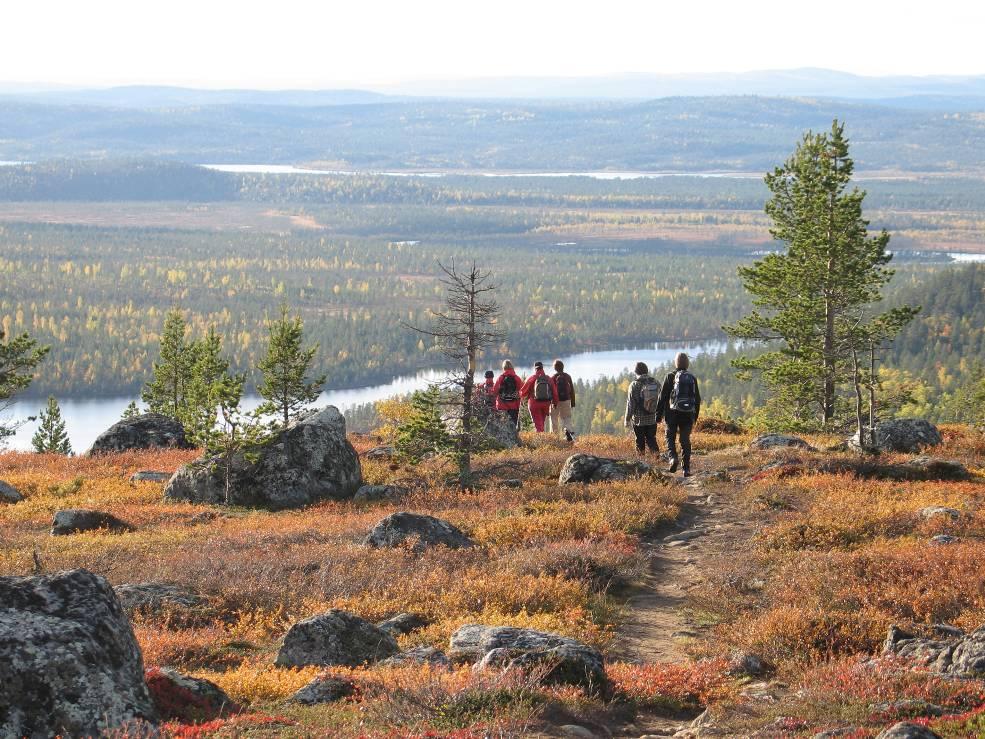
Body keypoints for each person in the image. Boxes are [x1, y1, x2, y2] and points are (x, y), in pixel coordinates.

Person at [656, 352, 701, 477]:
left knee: (670, 436)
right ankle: (686, 469)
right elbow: (697, 399)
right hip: (688, 414)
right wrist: (695, 416)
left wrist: (658, 415)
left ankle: (673, 458)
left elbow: (662, 397)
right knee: (685, 440)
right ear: (687, 363)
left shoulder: (670, 376)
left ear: (676, 363)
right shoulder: (692, 377)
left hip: (672, 414)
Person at [624, 361, 661, 457]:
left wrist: (627, 419)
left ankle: (641, 464)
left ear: (636, 372)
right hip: (653, 418)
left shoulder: (634, 385)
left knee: (639, 441)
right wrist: (661, 414)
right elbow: (661, 400)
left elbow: (630, 404)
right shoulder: (656, 382)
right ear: (646, 370)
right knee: (652, 439)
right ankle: (657, 459)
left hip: (639, 420)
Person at [520, 361, 557, 433]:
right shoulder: (548, 378)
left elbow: (523, 392)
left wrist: (522, 397)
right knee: (541, 423)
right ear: (542, 368)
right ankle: (543, 440)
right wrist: (555, 403)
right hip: (546, 404)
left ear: (535, 369)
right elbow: (554, 393)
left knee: (538, 425)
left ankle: (541, 441)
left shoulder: (532, 378)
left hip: (534, 404)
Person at [548, 359, 576, 439]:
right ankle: (568, 434)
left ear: (555, 368)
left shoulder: (553, 377)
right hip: (566, 400)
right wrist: (573, 403)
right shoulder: (567, 376)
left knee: (554, 419)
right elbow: (572, 390)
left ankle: (554, 437)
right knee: (567, 418)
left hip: (555, 402)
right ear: (563, 367)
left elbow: (550, 391)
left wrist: (551, 402)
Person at [492, 360, 523, 429]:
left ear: (503, 368)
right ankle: (514, 439)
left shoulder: (501, 378)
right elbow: (522, 391)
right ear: (512, 367)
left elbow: (494, 391)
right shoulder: (517, 378)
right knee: (513, 427)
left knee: (503, 427)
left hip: (502, 406)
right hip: (514, 406)